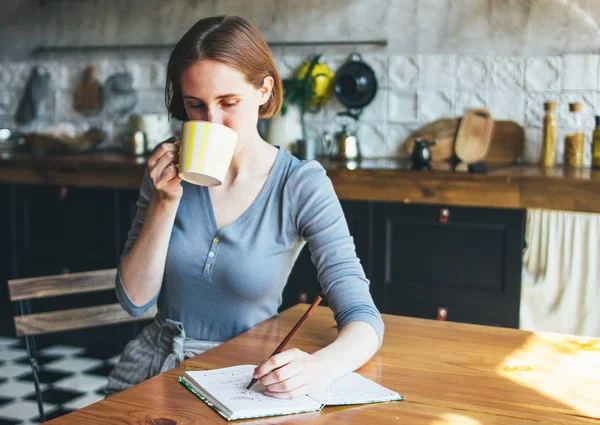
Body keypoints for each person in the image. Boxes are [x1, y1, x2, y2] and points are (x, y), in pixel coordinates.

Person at [105, 14, 384, 399]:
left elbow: (364, 318)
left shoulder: (300, 184)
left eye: (228, 102)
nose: (212, 121)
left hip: (243, 381)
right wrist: (164, 202)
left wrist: (321, 367)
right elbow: (134, 301)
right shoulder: (165, 170)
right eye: (195, 106)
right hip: (153, 372)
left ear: (264, 91)